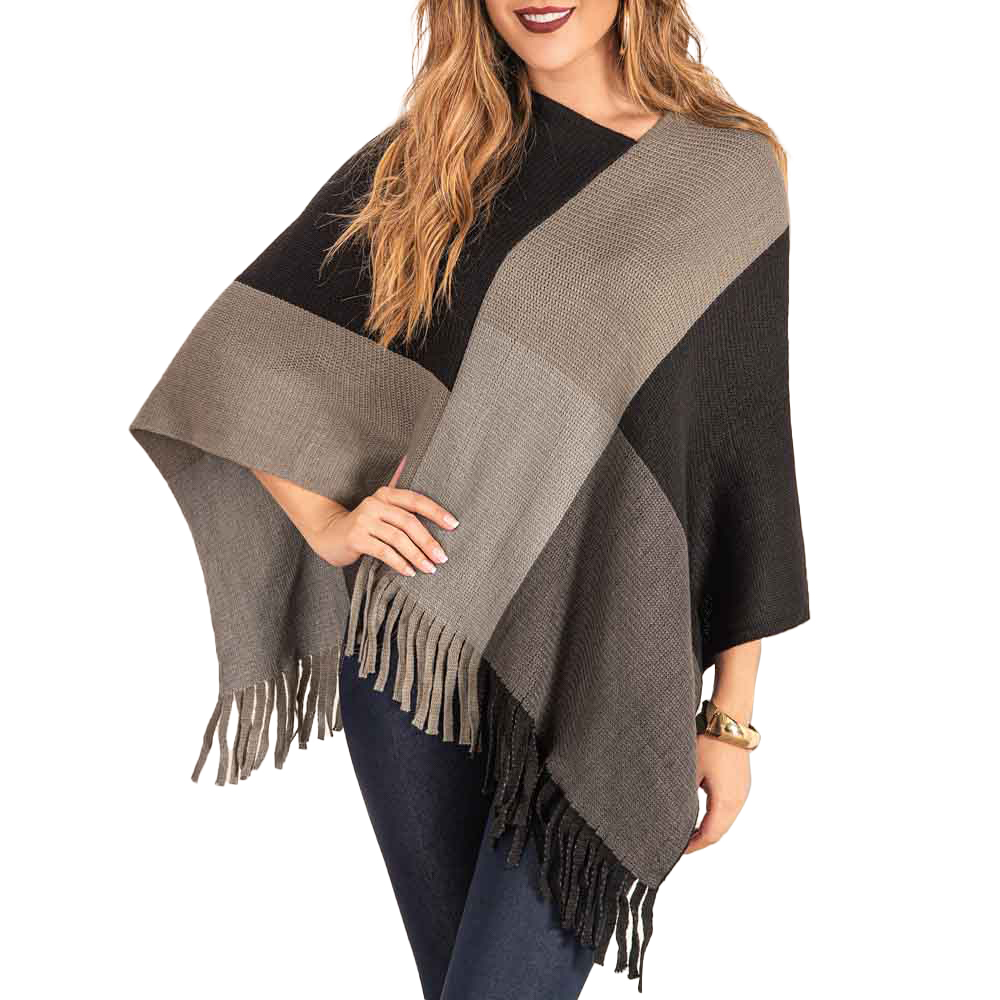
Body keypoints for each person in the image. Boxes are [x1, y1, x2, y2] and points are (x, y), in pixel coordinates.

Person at [130, 2, 809, 997]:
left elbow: (743, 447)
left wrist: (731, 716)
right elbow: (242, 354)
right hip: (420, 655)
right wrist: (329, 522)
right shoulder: (438, 158)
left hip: (601, 652)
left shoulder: (728, 174)